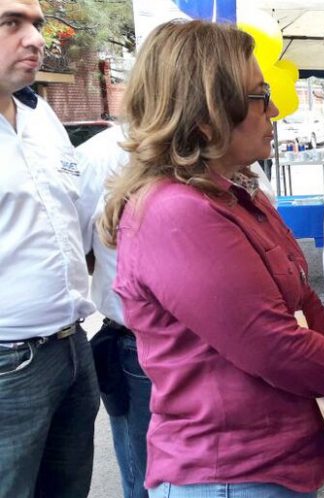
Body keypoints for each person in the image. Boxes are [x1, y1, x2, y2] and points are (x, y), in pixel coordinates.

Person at [100, 20, 324, 497]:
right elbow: (269, 343)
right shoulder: (176, 211)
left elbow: (301, 300)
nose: (274, 109)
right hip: (229, 473)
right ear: (206, 114)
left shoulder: (235, 195)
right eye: (259, 95)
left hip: (263, 464)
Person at [0, 1, 101, 496]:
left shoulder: (42, 119)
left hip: (72, 347)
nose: (37, 39)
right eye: (10, 23)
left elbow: (74, 221)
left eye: (37, 24)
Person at [77, 125, 153, 498]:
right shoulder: (98, 156)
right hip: (137, 347)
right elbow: (77, 251)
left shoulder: (222, 138)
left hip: (210, 346)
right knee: (146, 479)